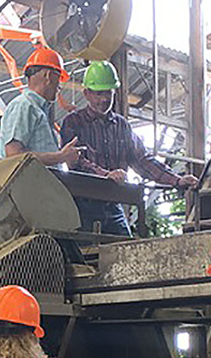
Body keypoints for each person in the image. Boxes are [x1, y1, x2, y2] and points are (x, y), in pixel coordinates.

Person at [61, 60, 199, 236]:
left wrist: (177, 180)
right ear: (86, 93)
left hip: (113, 205)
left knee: (126, 251)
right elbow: (75, 161)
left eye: (108, 93)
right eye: (98, 93)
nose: (104, 99)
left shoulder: (121, 126)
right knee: (83, 257)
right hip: (82, 207)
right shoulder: (73, 122)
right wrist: (106, 175)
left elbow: (142, 160)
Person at [0, 46, 83, 169]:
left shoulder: (37, 110)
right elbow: (13, 155)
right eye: (58, 78)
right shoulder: (24, 106)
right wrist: (60, 157)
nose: (59, 86)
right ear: (48, 76)